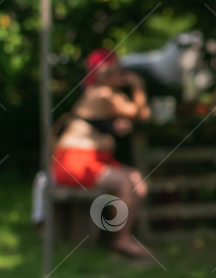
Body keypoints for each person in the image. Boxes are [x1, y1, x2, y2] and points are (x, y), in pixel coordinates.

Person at [53, 48, 151, 258]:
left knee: (138, 182)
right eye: (118, 72)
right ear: (104, 74)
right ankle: (120, 240)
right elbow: (140, 113)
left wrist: (112, 126)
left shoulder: (103, 94)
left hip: (93, 159)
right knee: (125, 183)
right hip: (75, 161)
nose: (122, 76)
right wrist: (137, 85)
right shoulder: (103, 94)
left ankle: (121, 234)